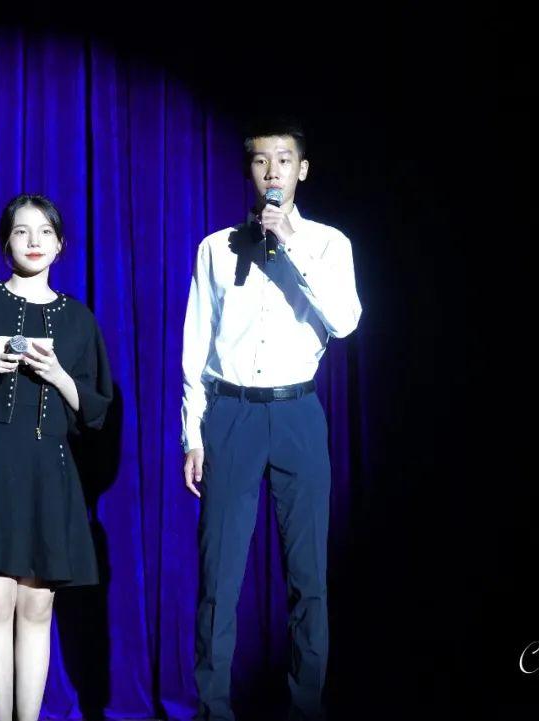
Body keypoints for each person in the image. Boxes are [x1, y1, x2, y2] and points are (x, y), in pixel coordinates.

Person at [181, 118, 362, 721]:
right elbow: (196, 346)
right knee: (219, 576)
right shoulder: (215, 248)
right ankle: (213, 709)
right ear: (249, 171)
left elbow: (345, 322)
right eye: (262, 161)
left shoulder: (329, 244)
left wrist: (291, 247)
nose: (273, 172)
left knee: (308, 577)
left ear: (301, 170)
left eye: (284, 160)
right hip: (230, 414)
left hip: (297, 413)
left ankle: (305, 706)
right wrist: (192, 434)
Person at [0, 193, 113, 721]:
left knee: (37, 606)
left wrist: (57, 374)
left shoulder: (78, 319)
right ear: (4, 242)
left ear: (60, 244)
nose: (34, 242)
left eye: (45, 232)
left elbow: (95, 410)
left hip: (49, 467)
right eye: (21, 231)